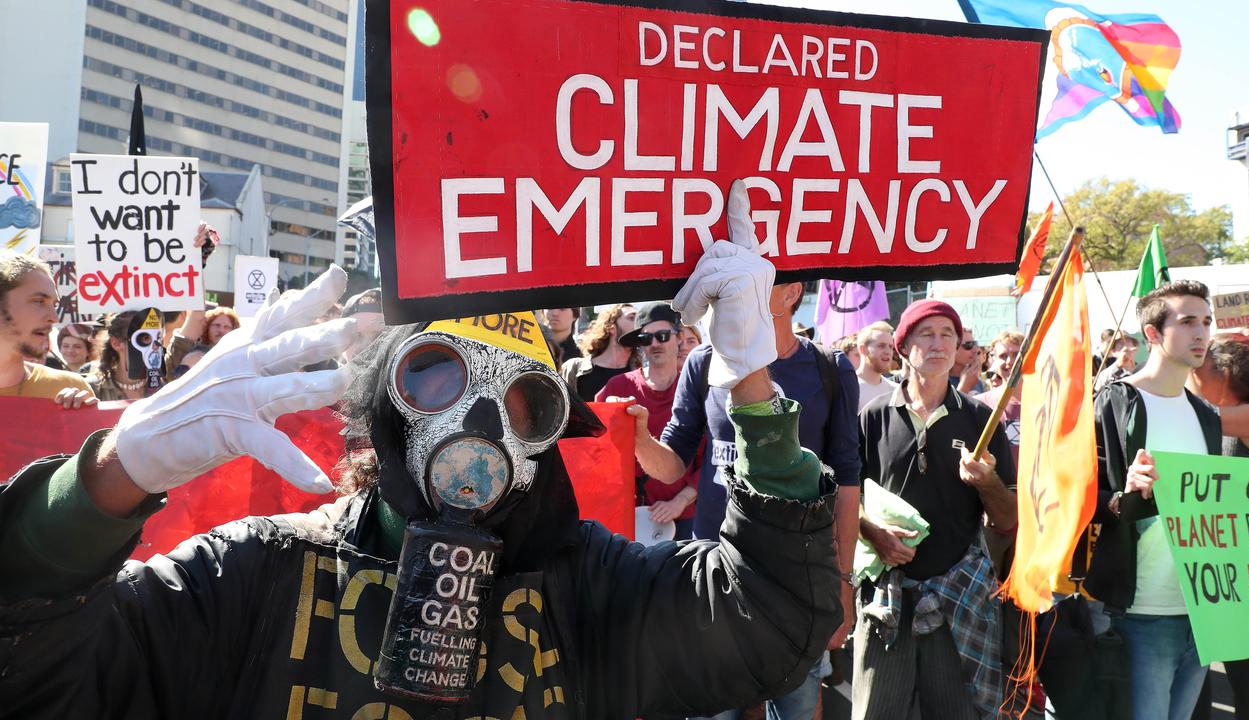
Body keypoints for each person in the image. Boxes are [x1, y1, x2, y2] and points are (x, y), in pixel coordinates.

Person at [0, 202, 843, 719]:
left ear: (551, 437)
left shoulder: (591, 590)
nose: (480, 423)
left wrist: (754, 386)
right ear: (383, 401)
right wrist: (104, 481)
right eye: (436, 375)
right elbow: (32, 674)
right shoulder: (256, 579)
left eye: (528, 401)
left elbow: (770, 621)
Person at [634, 274, 861, 720]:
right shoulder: (701, 363)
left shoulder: (828, 368)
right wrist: (639, 439)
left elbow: (847, 482)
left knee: (796, 710)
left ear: (791, 294)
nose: (726, 298)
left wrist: (844, 581)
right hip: (717, 579)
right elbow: (674, 462)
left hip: (799, 578)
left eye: (745, 285)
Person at [853, 299, 1016, 720]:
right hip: (884, 598)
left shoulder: (981, 418)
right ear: (903, 347)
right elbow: (844, 500)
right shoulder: (872, 417)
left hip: (958, 597)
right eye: (927, 333)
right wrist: (874, 534)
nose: (940, 343)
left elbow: (1008, 518)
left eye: (948, 334)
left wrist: (989, 482)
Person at [1085, 280, 1221, 720]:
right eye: (1187, 322)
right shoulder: (1116, 401)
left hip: (1204, 610)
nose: (1201, 333)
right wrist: (1123, 495)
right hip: (1139, 610)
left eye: (1206, 321)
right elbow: (1077, 495)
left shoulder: (1206, 415)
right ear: (1152, 333)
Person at [1186, 333, 1249, 720]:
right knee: (1206, 684)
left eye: (1200, 366)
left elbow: (1195, 413)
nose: (1192, 372)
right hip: (1215, 571)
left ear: (1222, 374)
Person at [598, 302, 699, 540]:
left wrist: (680, 501)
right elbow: (598, 450)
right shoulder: (617, 387)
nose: (654, 344)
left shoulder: (695, 389)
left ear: (679, 338)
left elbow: (710, 457)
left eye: (662, 336)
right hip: (628, 516)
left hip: (683, 517)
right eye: (646, 338)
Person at [0, 251, 96, 408]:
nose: (54, 318)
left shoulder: (69, 388)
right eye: (38, 301)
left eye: (54, 304)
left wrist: (82, 422)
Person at [90, 311, 201, 402]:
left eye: (158, 337)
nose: (156, 346)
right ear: (116, 343)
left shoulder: (164, 378)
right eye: (145, 338)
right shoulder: (94, 389)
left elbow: (185, 339)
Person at [559, 303, 638, 401]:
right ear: (611, 327)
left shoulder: (642, 372)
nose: (639, 324)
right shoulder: (574, 369)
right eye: (632, 318)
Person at [975, 330, 1025, 467]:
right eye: (1003, 356)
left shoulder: (1046, 402)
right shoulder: (979, 404)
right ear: (994, 360)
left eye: (1017, 354)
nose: (1010, 361)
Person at [852, 320, 896, 412]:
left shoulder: (895, 390)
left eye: (891, 347)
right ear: (863, 349)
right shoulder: (847, 388)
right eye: (881, 346)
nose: (888, 352)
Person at [950, 327, 986, 394]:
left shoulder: (977, 381)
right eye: (968, 345)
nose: (975, 350)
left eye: (975, 343)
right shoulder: (940, 383)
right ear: (952, 348)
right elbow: (950, 405)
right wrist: (964, 386)